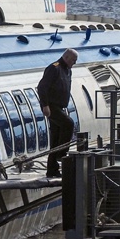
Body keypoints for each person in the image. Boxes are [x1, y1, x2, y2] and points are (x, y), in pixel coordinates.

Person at [37, 48, 78, 178]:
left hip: (60, 106)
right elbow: (42, 87)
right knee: (68, 124)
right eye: (73, 60)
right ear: (66, 57)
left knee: (55, 138)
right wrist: (45, 105)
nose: (74, 63)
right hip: (51, 107)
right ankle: (62, 153)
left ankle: (52, 169)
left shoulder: (68, 70)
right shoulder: (54, 68)